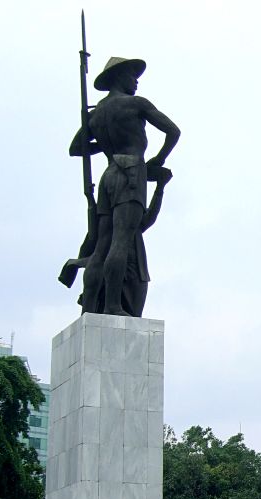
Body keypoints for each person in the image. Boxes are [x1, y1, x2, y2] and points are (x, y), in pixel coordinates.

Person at [68, 56, 180, 316]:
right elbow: (173, 132)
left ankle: (89, 308)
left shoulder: (96, 114)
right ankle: (112, 305)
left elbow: (76, 149)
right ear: (119, 77)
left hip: (109, 173)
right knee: (121, 240)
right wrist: (158, 159)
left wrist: (106, 146)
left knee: (102, 245)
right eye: (133, 76)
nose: (136, 82)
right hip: (131, 172)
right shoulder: (135, 104)